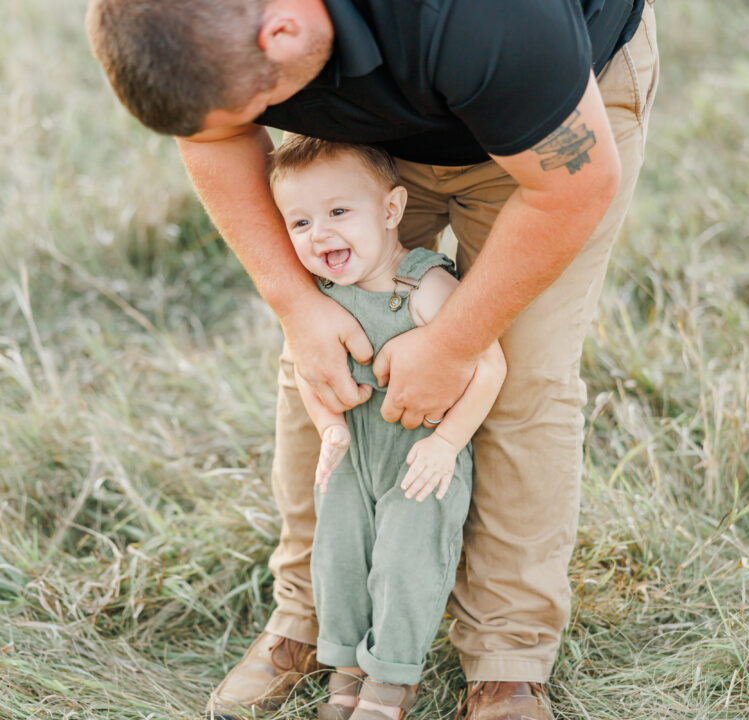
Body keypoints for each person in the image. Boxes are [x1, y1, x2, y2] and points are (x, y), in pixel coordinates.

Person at [85, 0, 659, 718]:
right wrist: (298, 307)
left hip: (545, 130)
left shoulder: (489, 18)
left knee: (521, 381)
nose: (262, 116)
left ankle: (507, 660)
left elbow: (573, 186)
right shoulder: (220, 33)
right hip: (362, 133)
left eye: (265, 101)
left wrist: (452, 345)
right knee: (330, 357)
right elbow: (213, 129)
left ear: (282, 31)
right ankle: (311, 617)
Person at [268, 135, 506, 720]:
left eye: (338, 213)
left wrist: (447, 444)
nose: (319, 234)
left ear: (392, 211)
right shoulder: (321, 299)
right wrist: (328, 427)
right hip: (352, 454)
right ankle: (346, 666)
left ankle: (390, 680)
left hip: (419, 458)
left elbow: (490, 365)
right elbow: (307, 372)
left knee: (406, 562)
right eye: (300, 222)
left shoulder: (423, 285)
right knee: (339, 556)